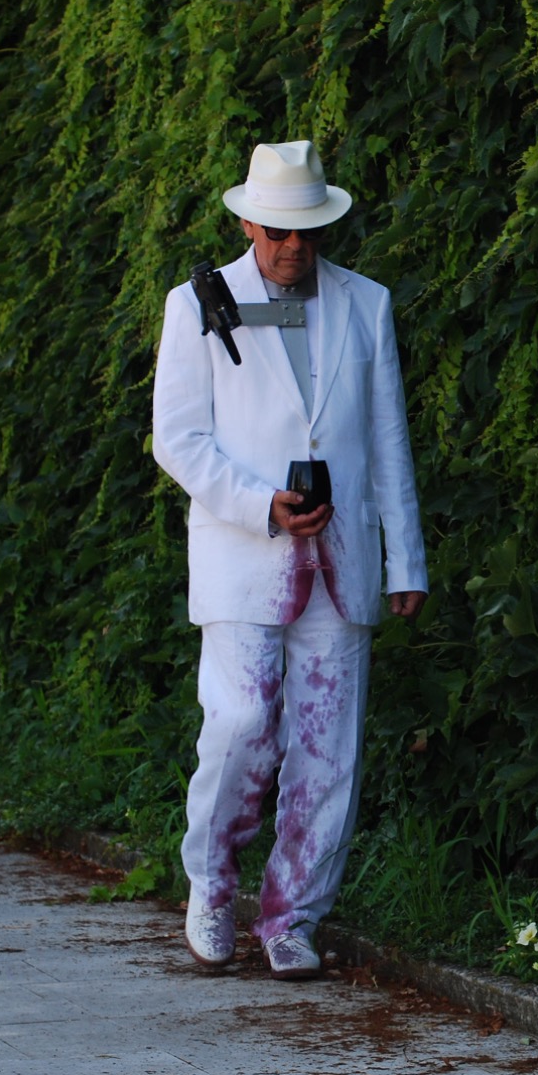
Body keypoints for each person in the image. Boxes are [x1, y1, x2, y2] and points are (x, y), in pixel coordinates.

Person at [151, 140, 427, 980]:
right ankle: (211, 884)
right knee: (239, 724)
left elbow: (387, 437)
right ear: (246, 221)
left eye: (305, 231)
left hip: (343, 563)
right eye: (275, 231)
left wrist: (405, 558)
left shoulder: (365, 303)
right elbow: (179, 439)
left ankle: (292, 915)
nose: (290, 247)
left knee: (328, 749)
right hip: (243, 554)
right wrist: (257, 503)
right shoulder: (197, 302)